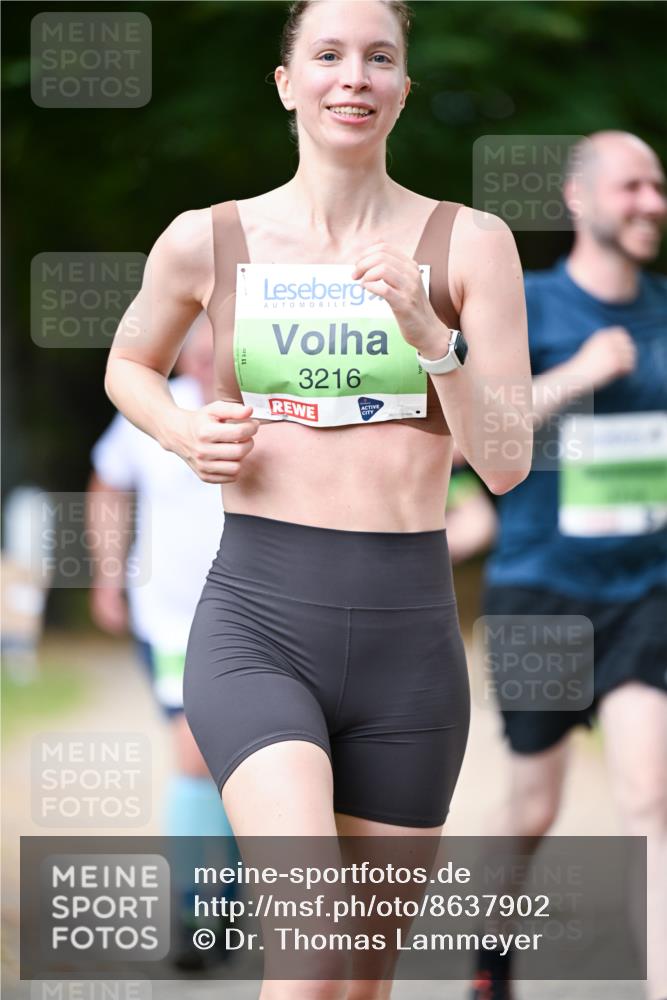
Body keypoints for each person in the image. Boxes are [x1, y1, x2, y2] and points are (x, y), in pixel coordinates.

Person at [105, 1, 532, 995]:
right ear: (286, 82)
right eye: (328, 55)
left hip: (410, 645)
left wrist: (434, 337)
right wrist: (181, 433)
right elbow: (130, 363)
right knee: (312, 945)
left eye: (379, 57)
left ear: (403, 89)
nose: (354, 76)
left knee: (364, 975)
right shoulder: (205, 239)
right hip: (259, 622)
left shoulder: (472, 245)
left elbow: (504, 461)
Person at [472, 131, 667, 1000]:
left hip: (648, 589)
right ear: (580, 200)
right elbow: (479, 438)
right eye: (630, 187)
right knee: (533, 809)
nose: (651, 204)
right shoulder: (530, 309)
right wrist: (577, 375)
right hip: (540, 590)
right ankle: (488, 957)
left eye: (657, 187)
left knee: (650, 801)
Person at [88, 312, 237, 969]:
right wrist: (107, 575)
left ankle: (226, 898)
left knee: (242, 765)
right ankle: (191, 910)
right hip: (174, 619)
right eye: (197, 353)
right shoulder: (153, 411)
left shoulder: (273, 410)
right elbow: (107, 486)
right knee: (195, 756)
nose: (205, 364)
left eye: (217, 352)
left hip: (257, 619)